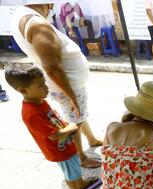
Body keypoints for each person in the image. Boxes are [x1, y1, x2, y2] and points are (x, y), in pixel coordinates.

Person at [11, 1, 102, 169]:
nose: (51, 10)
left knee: (79, 115)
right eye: (51, 6)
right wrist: (71, 95)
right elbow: (52, 67)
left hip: (66, 83)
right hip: (67, 85)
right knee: (75, 119)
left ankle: (91, 139)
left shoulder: (20, 14)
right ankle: (81, 157)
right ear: (45, 4)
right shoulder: (38, 24)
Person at [5, 63, 97, 189]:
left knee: (75, 168)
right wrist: (71, 126)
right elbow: (54, 135)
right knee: (71, 175)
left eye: (45, 84)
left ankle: (82, 183)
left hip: (65, 145)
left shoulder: (40, 101)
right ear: (23, 90)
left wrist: (66, 125)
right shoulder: (32, 113)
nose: (47, 88)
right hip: (59, 150)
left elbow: (53, 120)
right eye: (41, 86)